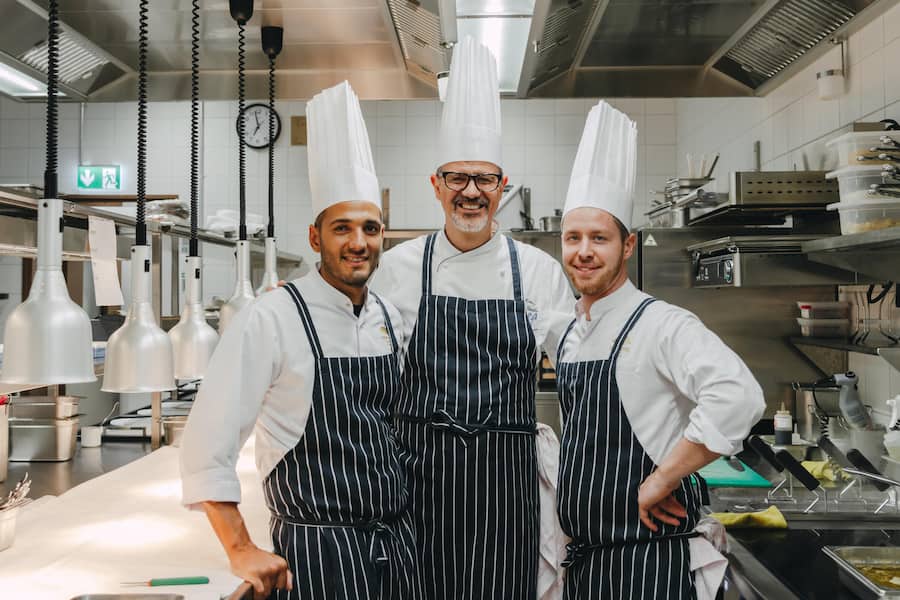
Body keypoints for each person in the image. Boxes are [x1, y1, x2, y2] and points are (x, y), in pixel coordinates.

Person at [180, 81, 421, 600]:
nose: (358, 243)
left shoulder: (388, 316)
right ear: (316, 238)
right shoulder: (271, 318)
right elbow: (205, 445)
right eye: (342, 229)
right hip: (315, 556)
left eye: (370, 229)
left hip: (398, 550)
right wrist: (240, 547)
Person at [370, 37, 574, 600]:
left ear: (502, 188)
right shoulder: (397, 269)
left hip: (505, 484)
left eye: (485, 179)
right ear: (436, 186)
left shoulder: (536, 271)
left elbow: (584, 376)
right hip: (418, 480)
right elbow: (365, 384)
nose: (471, 192)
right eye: (457, 178)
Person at [554, 100, 765, 600]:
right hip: (589, 560)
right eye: (573, 238)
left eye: (599, 238)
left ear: (627, 246)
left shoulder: (661, 324)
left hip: (649, 561)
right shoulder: (569, 331)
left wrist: (662, 479)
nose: (584, 251)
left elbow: (739, 395)